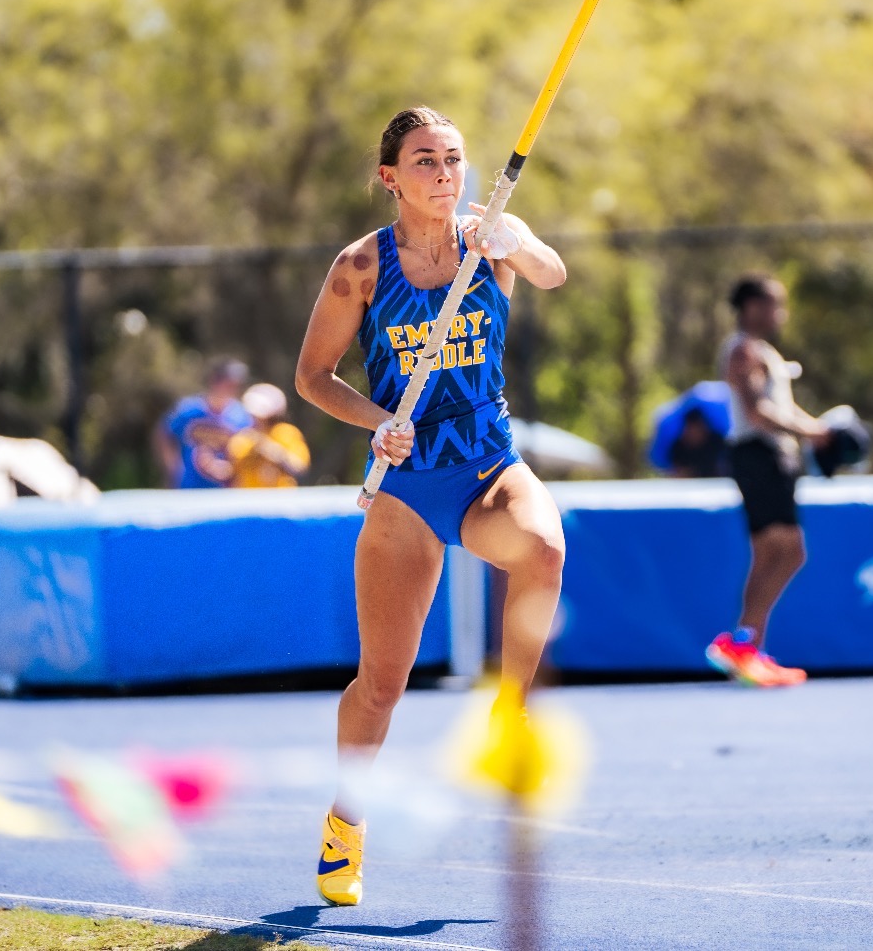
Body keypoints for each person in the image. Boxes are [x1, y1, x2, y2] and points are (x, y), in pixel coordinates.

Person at [295, 106, 569, 906]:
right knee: (382, 685)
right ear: (391, 177)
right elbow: (314, 376)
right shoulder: (361, 266)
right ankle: (347, 819)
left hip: (488, 466)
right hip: (408, 491)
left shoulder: (490, 239)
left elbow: (551, 273)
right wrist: (380, 421)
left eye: (452, 159)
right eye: (424, 161)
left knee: (544, 549)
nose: (443, 175)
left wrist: (514, 241)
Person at [706, 275, 830, 688]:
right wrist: (814, 431)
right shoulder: (743, 349)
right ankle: (742, 642)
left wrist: (810, 432)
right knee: (791, 551)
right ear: (752, 307)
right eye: (773, 303)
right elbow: (758, 411)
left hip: (769, 456)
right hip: (759, 456)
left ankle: (748, 646)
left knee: (768, 554)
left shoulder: (762, 351)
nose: (780, 312)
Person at [154, 358, 251, 488]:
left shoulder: (241, 415)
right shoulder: (188, 410)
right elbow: (164, 434)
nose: (232, 389)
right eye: (228, 383)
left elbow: (247, 448)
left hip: (225, 491)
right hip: (189, 488)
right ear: (214, 381)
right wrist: (173, 467)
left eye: (236, 385)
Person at [226, 383, 312, 488]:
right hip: (248, 500)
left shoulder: (286, 433)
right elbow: (232, 474)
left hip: (281, 500)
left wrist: (272, 451)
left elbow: (299, 468)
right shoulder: (242, 438)